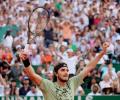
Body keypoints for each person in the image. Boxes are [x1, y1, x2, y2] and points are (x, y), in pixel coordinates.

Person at [19, 42, 109, 100]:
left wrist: (102, 52)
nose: (66, 72)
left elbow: (88, 67)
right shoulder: (48, 85)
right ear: (56, 73)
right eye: (62, 70)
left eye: (67, 70)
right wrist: (26, 60)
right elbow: (32, 75)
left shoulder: (72, 82)